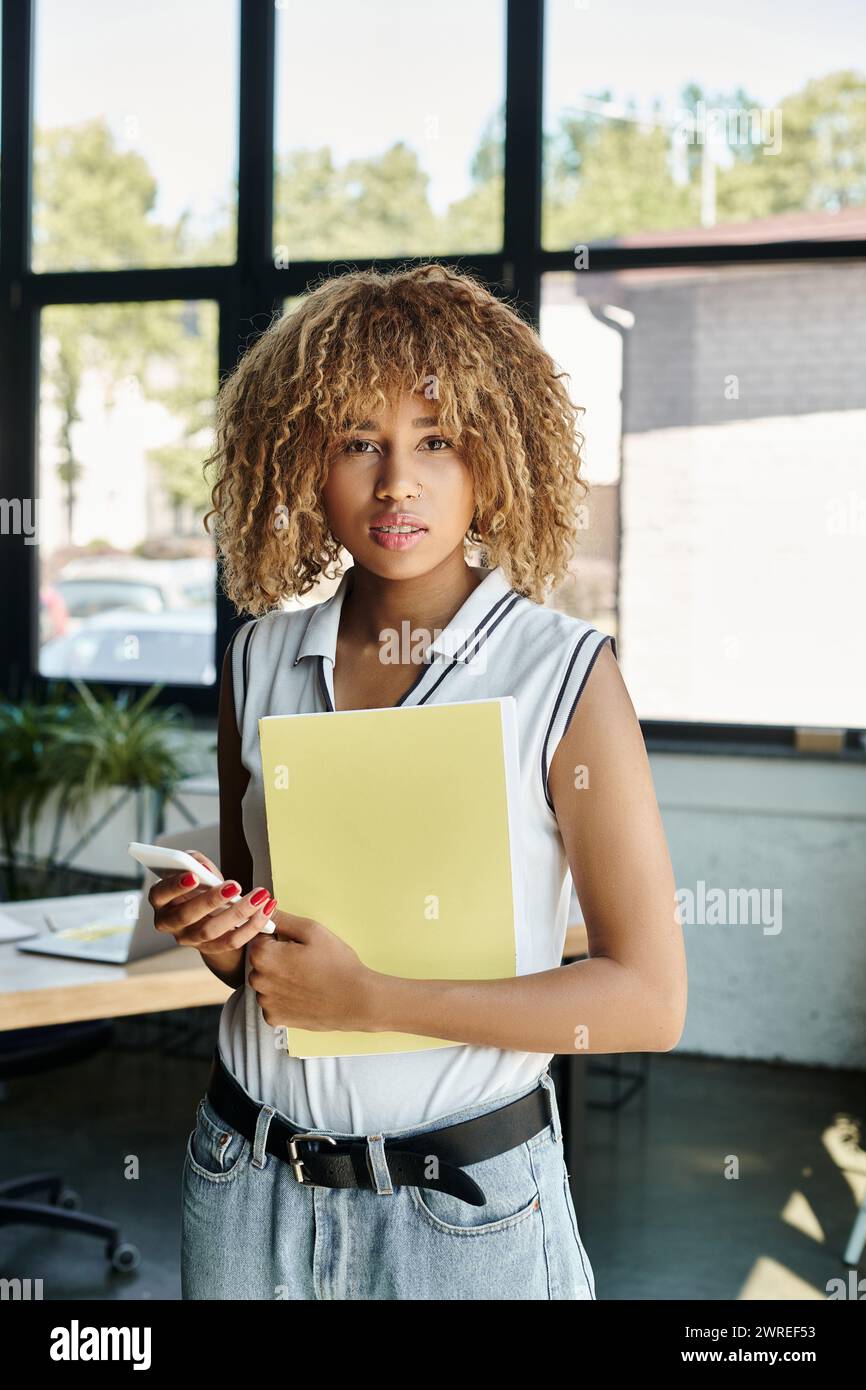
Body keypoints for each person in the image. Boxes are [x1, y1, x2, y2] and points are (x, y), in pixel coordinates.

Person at [151, 262, 687, 1300]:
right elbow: (260, 968)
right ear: (305, 455)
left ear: (493, 453)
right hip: (246, 1182)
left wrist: (374, 999)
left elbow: (646, 1000)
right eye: (359, 441)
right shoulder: (258, 657)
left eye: (435, 440)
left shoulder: (563, 674)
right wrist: (219, 934)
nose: (396, 481)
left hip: (461, 1213)